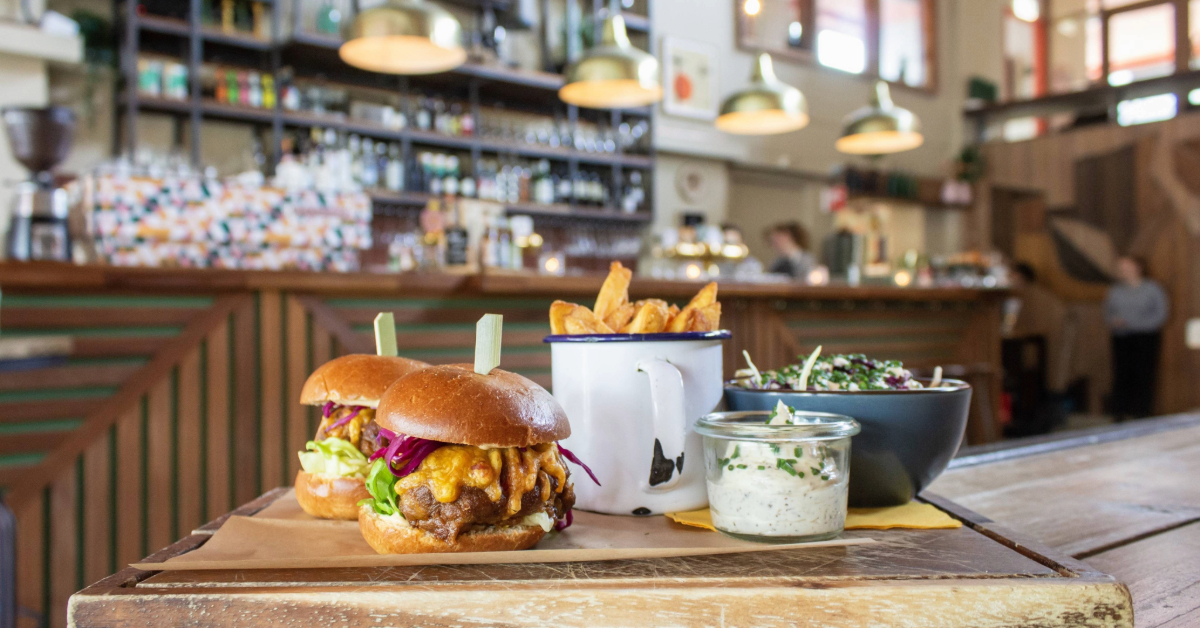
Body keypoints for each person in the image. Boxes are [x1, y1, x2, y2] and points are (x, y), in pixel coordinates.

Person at [1105, 256, 1169, 420]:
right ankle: (1119, 413)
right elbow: (1108, 313)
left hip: (1145, 339)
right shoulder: (1115, 290)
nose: (1122, 271)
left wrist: (1131, 323)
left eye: (1126, 267)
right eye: (1120, 268)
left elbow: (1161, 315)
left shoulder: (1153, 289)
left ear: (1137, 267)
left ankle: (1142, 413)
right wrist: (1114, 322)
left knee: (1143, 374)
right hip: (1122, 339)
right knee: (1121, 375)